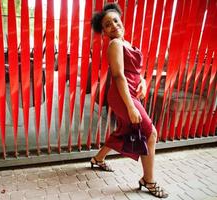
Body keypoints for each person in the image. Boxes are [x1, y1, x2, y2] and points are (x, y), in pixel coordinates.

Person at [90, 3, 168, 198]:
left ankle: (97, 159)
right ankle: (148, 181)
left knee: (124, 130)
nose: (114, 25)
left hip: (131, 92)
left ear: (121, 21)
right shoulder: (115, 44)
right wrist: (131, 106)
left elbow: (134, 70)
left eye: (116, 20)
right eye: (108, 24)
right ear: (104, 31)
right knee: (150, 133)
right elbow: (118, 76)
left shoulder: (126, 43)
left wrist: (142, 80)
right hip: (123, 95)